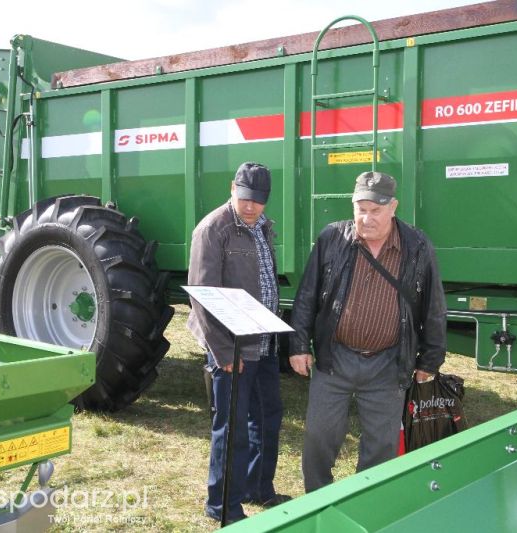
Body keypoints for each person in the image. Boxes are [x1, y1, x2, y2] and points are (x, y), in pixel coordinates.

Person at [288, 171, 447, 493]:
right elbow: (307, 294)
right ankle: (317, 501)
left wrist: (430, 361)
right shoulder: (332, 239)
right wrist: (298, 345)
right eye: (361, 209)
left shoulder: (416, 246)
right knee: (319, 438)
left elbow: (433, 305)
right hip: (335, 358)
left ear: (393, 207)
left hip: (388, 363)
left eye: (375, 210)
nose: (367, 217)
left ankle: (365, 501)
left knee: (381, 446)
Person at [187, 162, 290, 523]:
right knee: (231, 429)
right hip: (231, 348)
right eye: (245, 198)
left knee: (267, 418)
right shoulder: (213, 229)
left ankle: (258, 488)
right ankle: (222, 506)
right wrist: (221, 350)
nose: (250, 206)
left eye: (258, 201)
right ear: (232, 188)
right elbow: (201, 295)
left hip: (263, 343)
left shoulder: (263, 227)